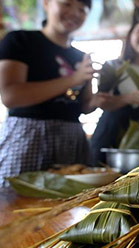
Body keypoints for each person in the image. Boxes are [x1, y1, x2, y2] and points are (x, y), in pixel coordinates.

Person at [0, 0, 104, 187]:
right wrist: (73, 79)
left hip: (73, 138)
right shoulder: (19, 40)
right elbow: (10, 96)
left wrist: (98, 100)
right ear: (46, 3)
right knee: (16, 202)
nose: (75, 13)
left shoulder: (81, 56)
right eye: (66, 4)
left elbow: (83, 106)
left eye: (82, 9)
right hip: (28, 136)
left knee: (72, 207)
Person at [90, 20, 139, 165]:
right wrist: (127, 98)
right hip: (110, 132)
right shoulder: (112, 66)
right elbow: (101, 102)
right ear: (129, 36)